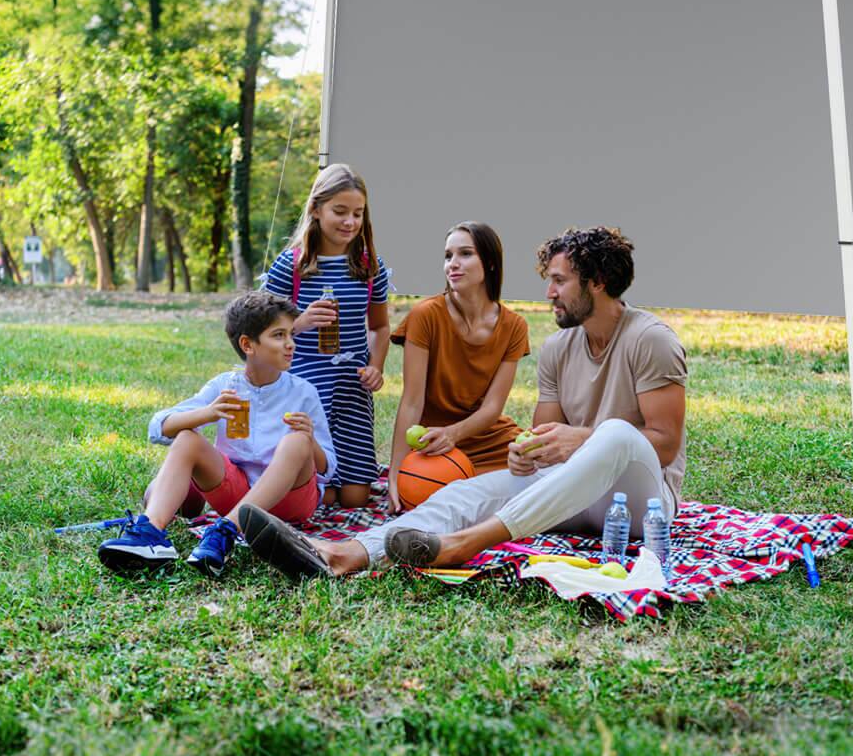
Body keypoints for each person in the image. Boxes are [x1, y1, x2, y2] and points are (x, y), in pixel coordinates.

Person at [238, 226, 685, 581]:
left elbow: (663, 445)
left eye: (559, 281)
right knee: (461, 492)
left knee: (614, 434)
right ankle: (346, 554)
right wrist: (525, 453)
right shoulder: (558, 348)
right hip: (571, 497)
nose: (549, 292)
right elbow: (543, 438)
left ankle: (464, 545)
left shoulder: (650, 340)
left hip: (638, 506)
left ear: (598, 282)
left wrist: (581, 439)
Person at [97, 290, 335, 578]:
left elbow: (328, 468)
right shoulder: (225, 386)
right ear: (248, 345)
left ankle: (225, 531)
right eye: (279, 335)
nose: (290, 344)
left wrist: (310, 441)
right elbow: (158, 427)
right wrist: (208, 413)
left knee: (296, 441)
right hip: (234, 495)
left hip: (290, 502)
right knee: (187, 437)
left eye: (290, 334)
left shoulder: (303, 392)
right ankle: (151, 533)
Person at [261, 163, 391, 507]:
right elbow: (260, 329)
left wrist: (376, 366)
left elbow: (379, 327)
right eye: (340, 211)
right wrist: (299, 323)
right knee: (321, 491)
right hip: (305, 387)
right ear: (316, 210)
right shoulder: (292, 265)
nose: (350, 222)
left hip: (352, 388)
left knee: (355, 498)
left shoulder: (369, 267)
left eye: (358, 213)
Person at [384, 221, 530, 504]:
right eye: (448, 255)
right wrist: (396, 473)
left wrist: (455, 433)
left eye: (465, 254)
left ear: (490, 262)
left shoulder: (515, 326)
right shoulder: (425, 315)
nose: (453, 263)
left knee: (542, 470)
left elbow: (492, 408)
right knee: (440, 496)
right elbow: (412, 402)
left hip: (487, 437)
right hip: (433, 441)